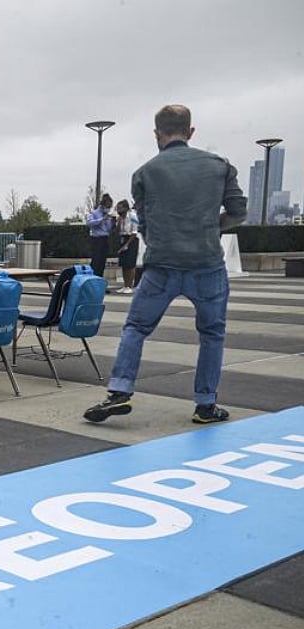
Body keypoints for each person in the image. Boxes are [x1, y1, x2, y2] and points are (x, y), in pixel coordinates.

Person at [84, 104, 246, 425]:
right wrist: (211, 226)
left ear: (157, 134)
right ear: (191, 131)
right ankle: (205, 404)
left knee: (136, 328)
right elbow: (239, 212)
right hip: (207, 264)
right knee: (212, 333)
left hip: (162, 265)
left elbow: (144, 222)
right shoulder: (220, 167)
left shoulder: (145, 173)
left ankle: (119, 390)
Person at [85, 192, 115, 277]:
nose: (108, 208)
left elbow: (108, 229)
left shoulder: (108, 215)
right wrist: (101, 219)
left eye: (110, 207)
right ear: (102, 205)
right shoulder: (94, 213)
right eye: (107, 206)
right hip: (96, 239)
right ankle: (92, 279)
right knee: (96, 261)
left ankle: (100, 281)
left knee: (102, 262)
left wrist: (112, 223)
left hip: (105, 239)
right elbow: (89, 223)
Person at [114, 199, 140, 293]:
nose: (118, 210)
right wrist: (119, 221)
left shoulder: (133, 216)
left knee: (130, 264)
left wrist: (127, 244)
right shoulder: (120, 218)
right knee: (124, 263)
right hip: (123, 238)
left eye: (120, 208)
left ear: (126, 208)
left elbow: (134, 232)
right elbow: (116, 232)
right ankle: (125, 285)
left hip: (131, 239)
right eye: (117, 208)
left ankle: (130, 285)